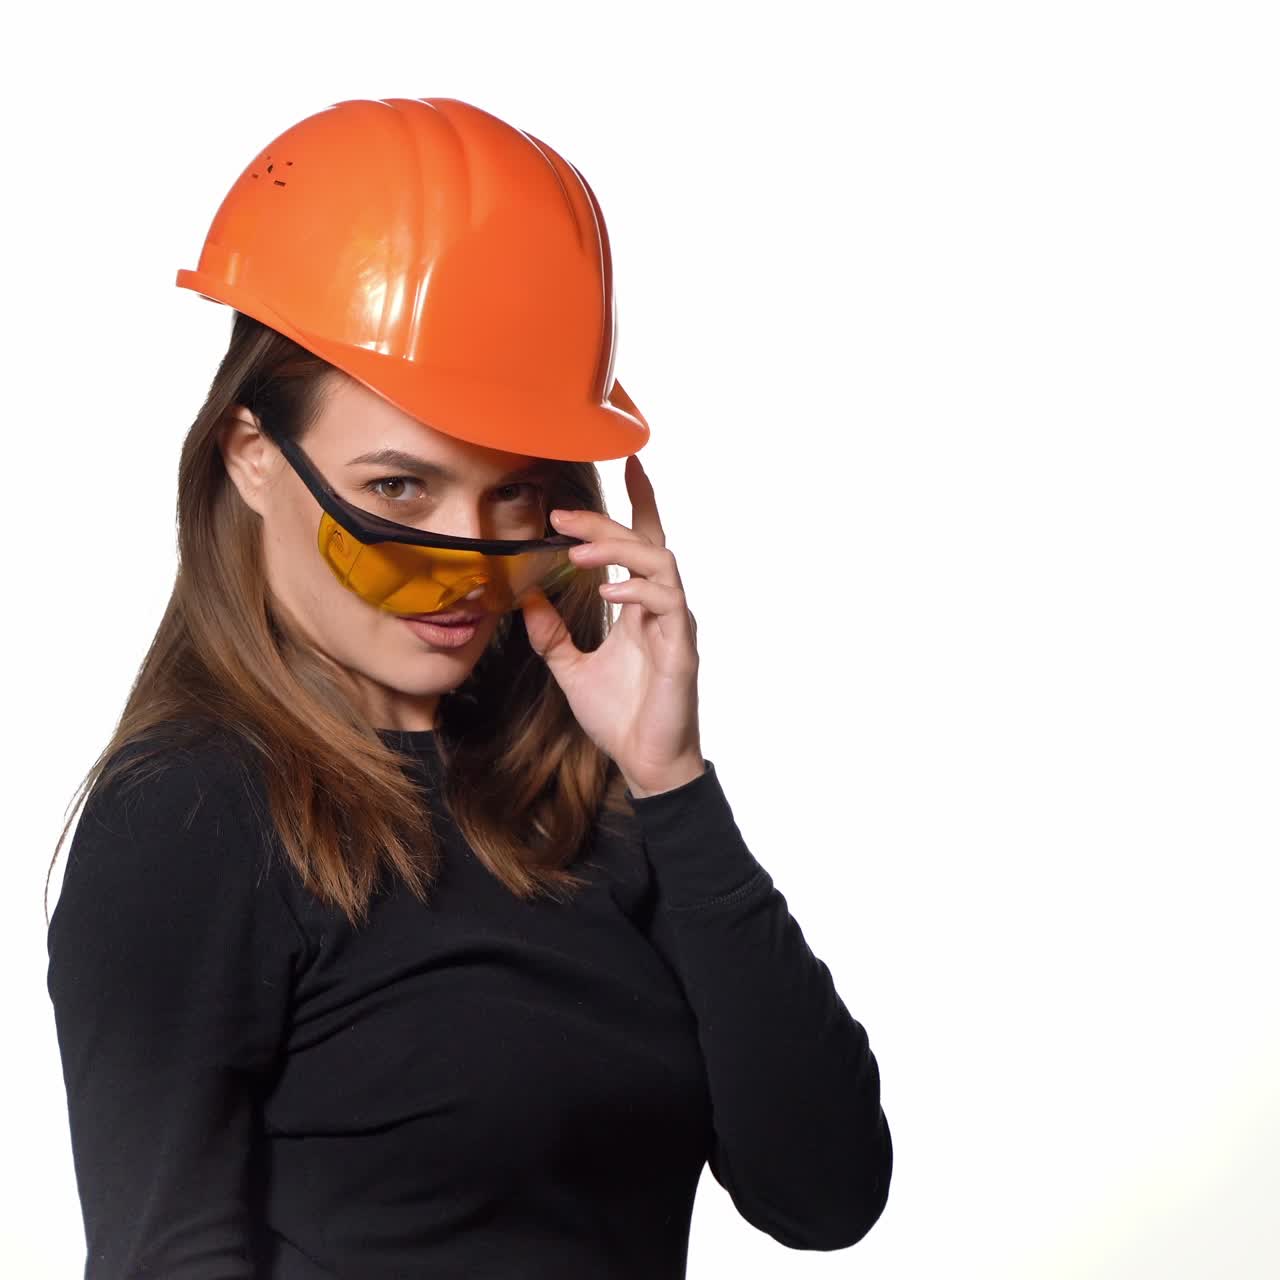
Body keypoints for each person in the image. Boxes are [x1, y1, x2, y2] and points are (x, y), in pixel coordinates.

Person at [44, 96, 892, 1278]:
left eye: (514, 498)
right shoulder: (190, 815)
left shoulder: (585, 800)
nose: (464, 564)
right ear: (250, 458)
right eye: (398, 493)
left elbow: (824, 1189)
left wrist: (670, 780)